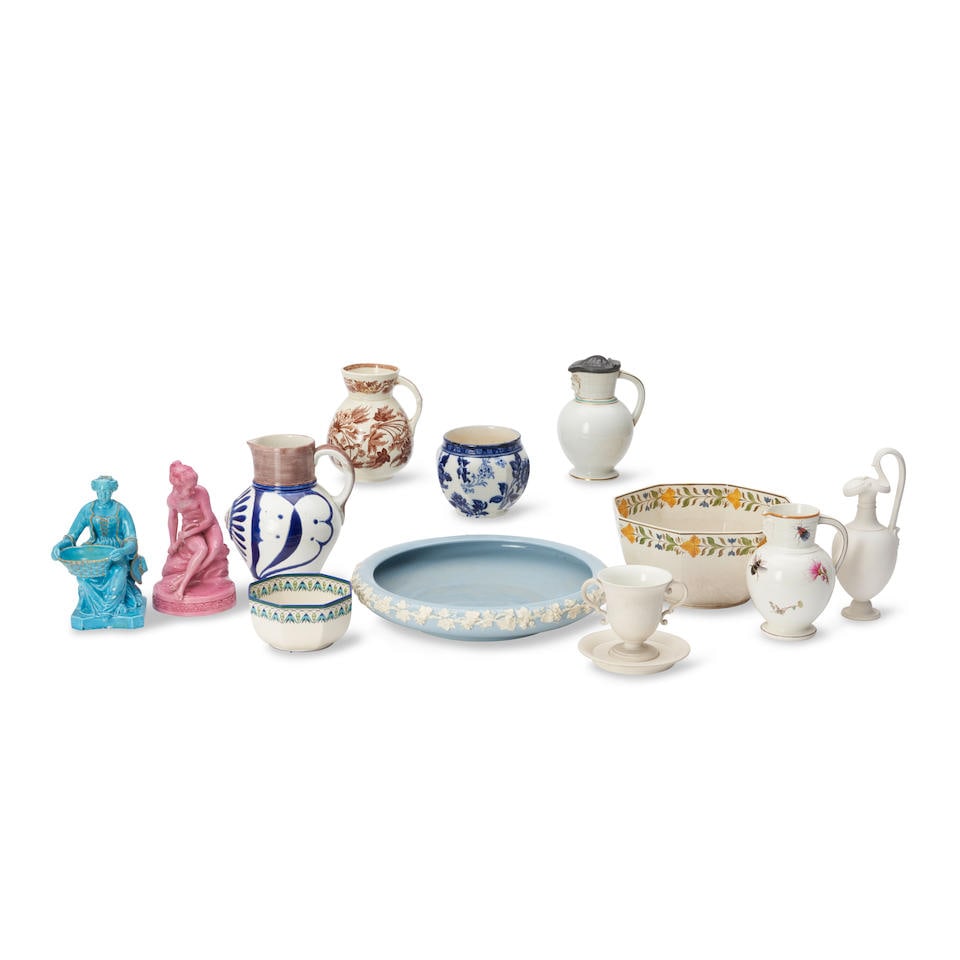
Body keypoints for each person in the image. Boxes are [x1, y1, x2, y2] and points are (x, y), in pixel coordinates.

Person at [52, 475, 147, 628]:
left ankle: (112, 609)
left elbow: (131, 540)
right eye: (100, 491)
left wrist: (123, 551)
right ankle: (91, 609)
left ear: (112, 491)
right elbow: (72, 535)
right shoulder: (87, 510)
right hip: (93, 552)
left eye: (107, 491)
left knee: (118, 572)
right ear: (95, 490)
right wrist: (60, 545)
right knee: (84, 577)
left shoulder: (121, 510)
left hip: (116, 553)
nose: (103, 495)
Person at [159, 461, 230, 600]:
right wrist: (173, 542)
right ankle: (182, 586)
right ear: (178, 487)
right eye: (190, 488)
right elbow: (173, 519)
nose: (193, 491)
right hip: (189, 526)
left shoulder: (201, 492)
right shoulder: (172, 500)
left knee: (215, 549)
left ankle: (182, 578)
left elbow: (208, 519)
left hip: (208, 526)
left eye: (194, 486)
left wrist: (187, 534)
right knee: (202, 549)